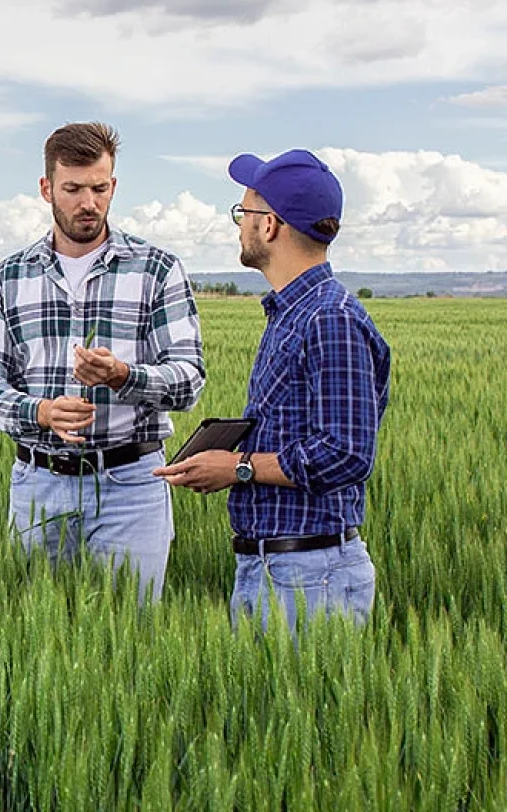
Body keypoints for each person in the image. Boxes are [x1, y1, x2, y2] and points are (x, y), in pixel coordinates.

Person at [0, 122, 205, 600]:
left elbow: (189, 379)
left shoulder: (157, 269)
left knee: (133, 632)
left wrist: (123, 376)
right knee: (33, 629)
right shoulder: (9, 277)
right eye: (73, 189)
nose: (88, 203)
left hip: (131, 485)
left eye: (99, 188)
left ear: (113, 185)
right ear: (46, 188)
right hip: (39, 484)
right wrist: (40, 412)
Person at [153, 149, 391, 631]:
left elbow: (346, 453)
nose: (239, 225)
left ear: (270, 225)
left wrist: (237, 467)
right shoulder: (294, 313)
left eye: (243, 212)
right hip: (278, 569)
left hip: (311, 576)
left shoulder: (329, 319)